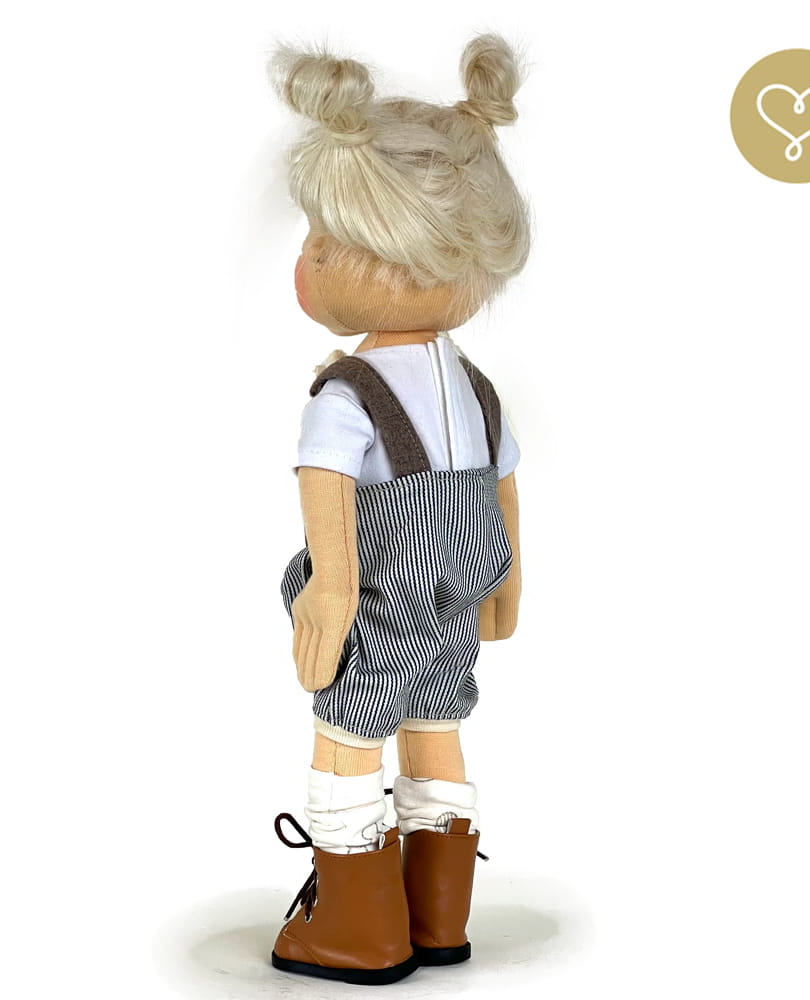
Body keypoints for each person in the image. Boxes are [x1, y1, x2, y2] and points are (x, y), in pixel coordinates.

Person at [267, 34, 531, 985]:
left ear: (407, 258)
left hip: (378, 602)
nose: (308, 260)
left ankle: (358, 927)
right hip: (454, 598)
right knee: (436, 726)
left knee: (347, 736)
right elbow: (501, 486)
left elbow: (326, 491)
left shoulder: (349, 393)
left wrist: (331, 593)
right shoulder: (475, 386)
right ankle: (436, 915)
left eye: (325, 243)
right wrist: (505, 584)